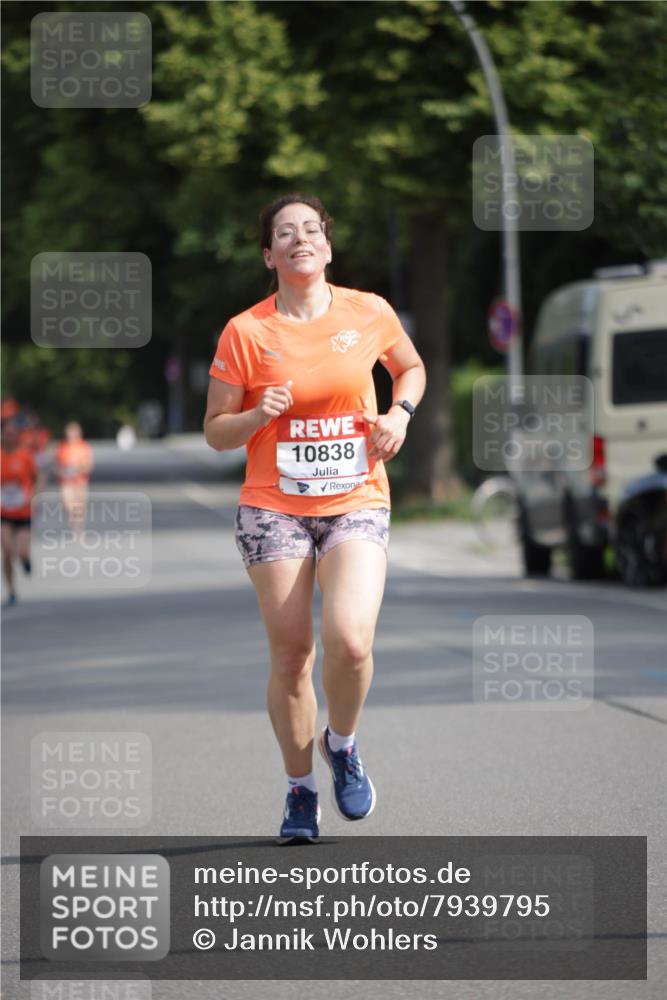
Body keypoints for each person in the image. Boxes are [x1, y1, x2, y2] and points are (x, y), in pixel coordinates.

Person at [204, 194, 426, 844]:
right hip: (274, 506)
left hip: (355, 496)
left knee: (350, 640)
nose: (299, 239)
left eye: (310, 230)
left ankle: (344, 743)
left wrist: (398, 418)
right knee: (292, 653)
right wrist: (255, 416)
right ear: (268, 254)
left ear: (326, 246)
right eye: (284, 233)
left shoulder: (369, 311)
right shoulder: (245, 332)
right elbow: (217, 433)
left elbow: (407, 368)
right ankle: (300, 790)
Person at [1, 420, 43, 606]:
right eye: (5, 432)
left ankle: (26, 561)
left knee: (22, 552)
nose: (9, 436)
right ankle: (11, 590)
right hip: (4, 511)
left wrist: (34, 495)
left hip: (23, 511)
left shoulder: (24, 456)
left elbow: (39, 477)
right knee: (7, 550)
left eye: (12, 433)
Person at [54, 422, 94, 538]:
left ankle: (78, 528)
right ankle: (73, 522)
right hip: (67, 482)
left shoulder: (84, 446)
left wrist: (79, 469)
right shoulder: (62, 447)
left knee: (80, 505)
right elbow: (56, 466)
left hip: (81, 480)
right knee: (68, 504)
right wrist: (63, 472)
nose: (72, 435)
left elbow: (89, 465)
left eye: (75, 432)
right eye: (70, 432)